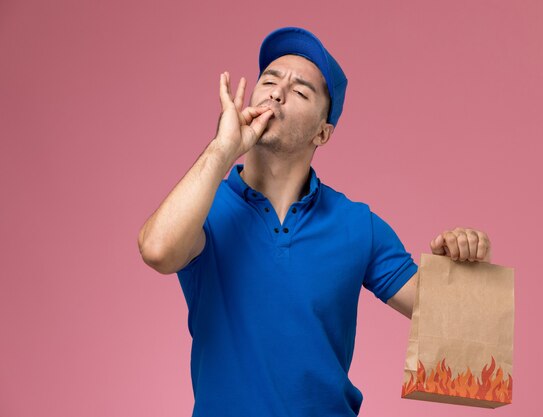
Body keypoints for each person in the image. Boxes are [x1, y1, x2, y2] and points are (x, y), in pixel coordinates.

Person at [138, 26, 492, 417]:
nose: (277, 92)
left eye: (300, 91)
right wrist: (222, 150)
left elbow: (465, 325)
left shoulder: (358, 225)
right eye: (269, 80)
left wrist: (462, 265)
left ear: (323, 133)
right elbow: (157, 251)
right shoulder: (204, 208)